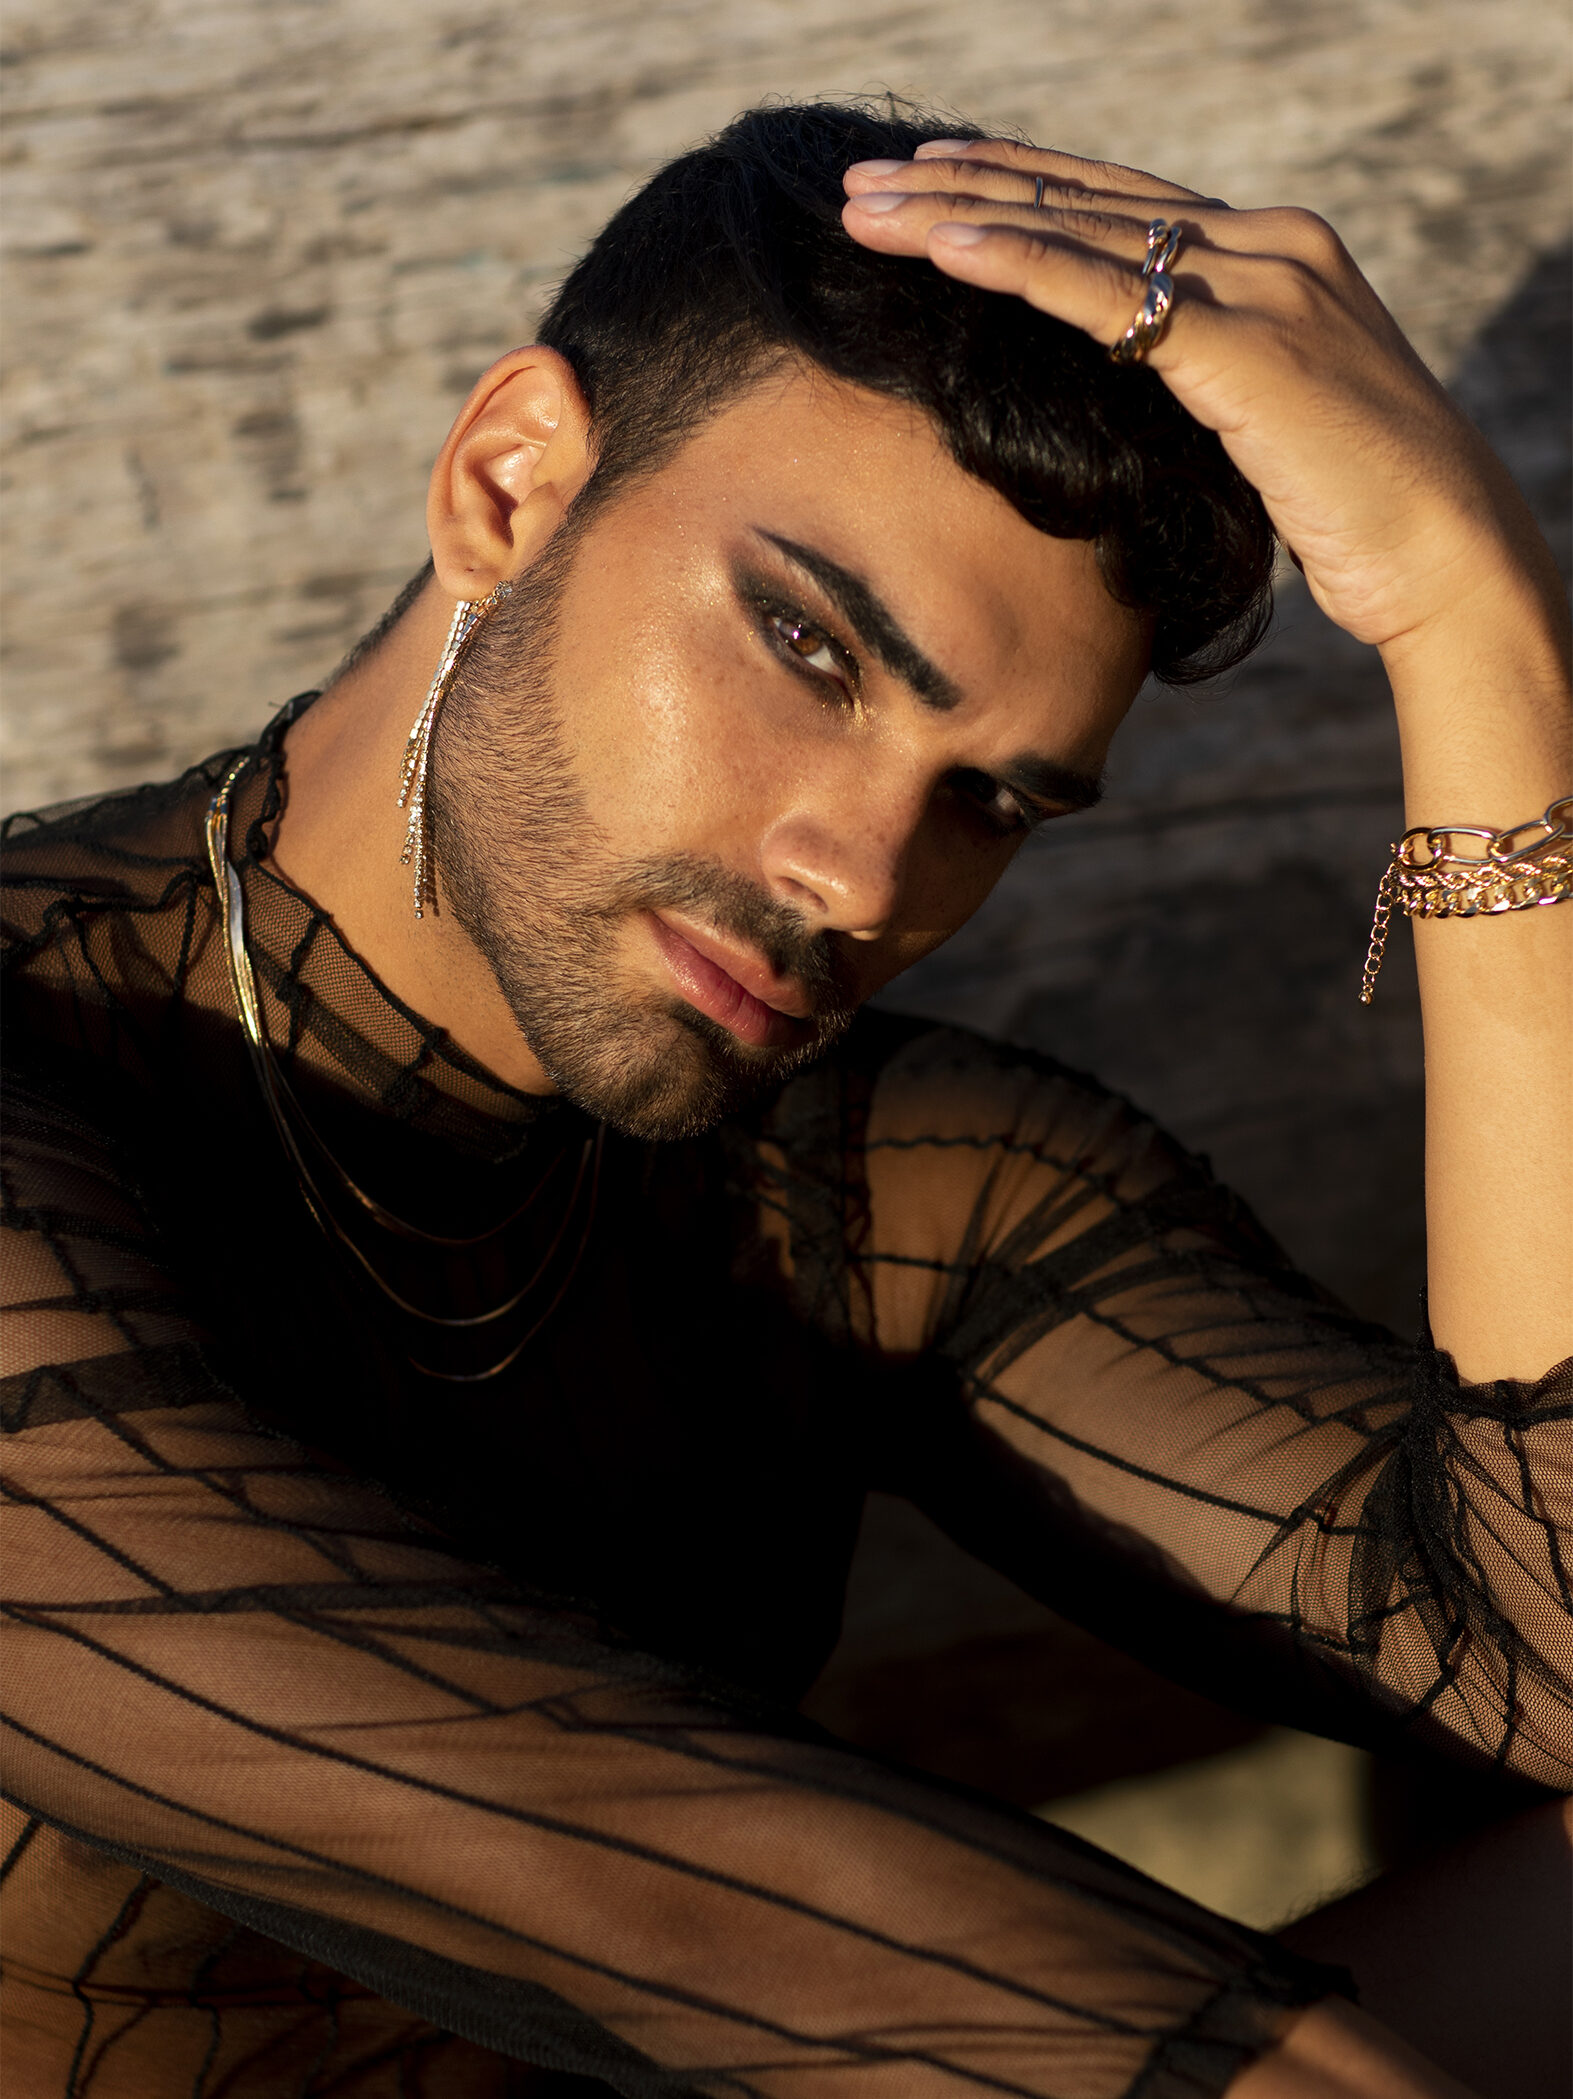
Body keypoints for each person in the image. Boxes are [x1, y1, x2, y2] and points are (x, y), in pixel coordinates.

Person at [1, 98, 1568, 2099]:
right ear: (508, 484)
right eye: (808, 647)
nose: (863, 878)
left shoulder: (867, 1182)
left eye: (987, 799)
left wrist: (1471, 625)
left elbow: (1551, 1654)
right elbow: (597, 1858)